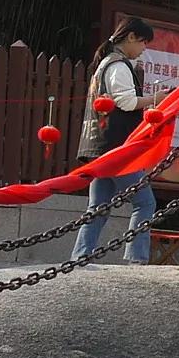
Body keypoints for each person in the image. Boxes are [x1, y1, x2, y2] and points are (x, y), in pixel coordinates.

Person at [72, 16, 159, 262]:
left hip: (99, 146)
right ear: (130, 37)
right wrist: (157, 99)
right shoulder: (119, 65)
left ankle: (80, 256)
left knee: (98, 207)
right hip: (117, 148)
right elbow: (127, 102)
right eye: (143, 42)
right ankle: (136, 259)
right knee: (144, 203)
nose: (144, 49)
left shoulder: (104, 64)